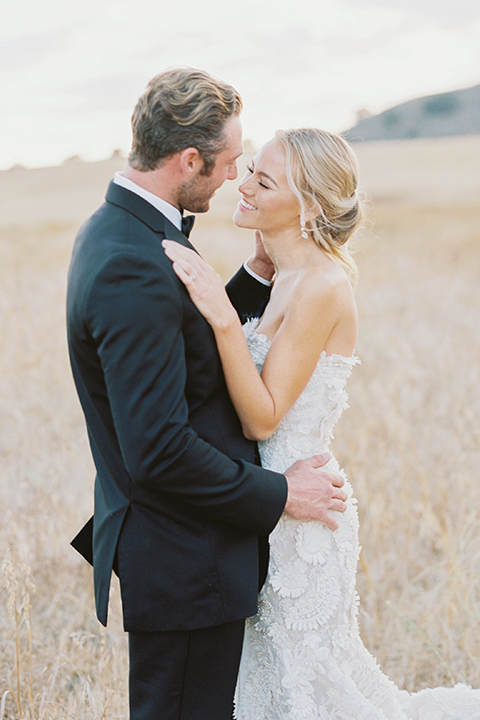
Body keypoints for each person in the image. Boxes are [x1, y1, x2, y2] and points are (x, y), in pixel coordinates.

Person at [163, 127, 480, 719]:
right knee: (273, 681)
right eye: (250, 168)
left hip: (301, 511)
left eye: (264, 179)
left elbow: (261, 417)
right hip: (266, 503)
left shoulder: (322, 285)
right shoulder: (282, 275)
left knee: (307, 684)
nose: (244, 183)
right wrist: (242, 288)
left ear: (307, 206)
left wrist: (224, 319)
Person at [66, 68, 349, 720]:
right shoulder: (132, 264)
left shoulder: (120, 230)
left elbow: (181, 345)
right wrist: (284, 494)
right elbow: (159, 451)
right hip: (183, 556)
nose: (233, 178)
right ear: (187, 158)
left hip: (187, 551)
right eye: (226, 163)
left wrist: (247, 284)